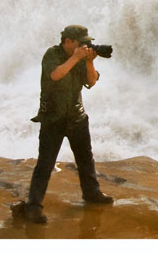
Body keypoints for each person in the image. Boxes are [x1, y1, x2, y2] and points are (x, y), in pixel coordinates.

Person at [12, 25, 114, 225]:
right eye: (81, 42)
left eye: (87, 42)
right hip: (53, 119)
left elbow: (92, 82)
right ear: (67, 41)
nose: (85, 46)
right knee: (45, 164)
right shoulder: (52, 54)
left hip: (77, 116)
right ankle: (33, 206)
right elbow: (55, 75)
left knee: (86, 160)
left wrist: (89, 62)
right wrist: (75, 58)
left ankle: (92, 194)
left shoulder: (80, 57)